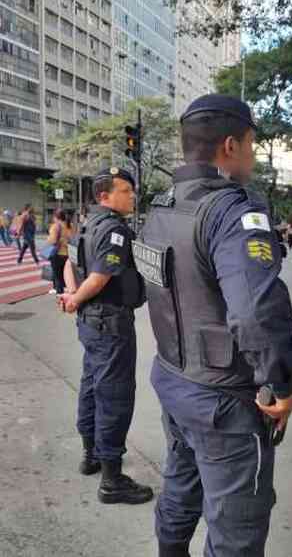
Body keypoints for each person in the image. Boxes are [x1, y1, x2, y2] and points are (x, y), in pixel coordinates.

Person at [136, 94, 292, 557]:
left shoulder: (161, 208)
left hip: (175, 380)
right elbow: (255, 312)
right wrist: (281, 382)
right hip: (224, 402)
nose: (251, 154)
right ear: (230, 145)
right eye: (251, 144)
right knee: (236, 531)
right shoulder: (232, 210)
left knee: (179, 489)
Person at [58, 166, 153, 506]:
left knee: (91, 385)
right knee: (114, 395)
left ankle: (91, 455)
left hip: (90, 321)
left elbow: (69, 263)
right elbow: (99, 276)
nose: (132, 196)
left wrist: (71, 295)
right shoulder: (114, 229)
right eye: (126, 190)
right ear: (104, 196)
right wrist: (77, 297)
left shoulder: (86, 223)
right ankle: (112, 481)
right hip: (110, 322)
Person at [47, 209, 74, 294]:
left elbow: (53, 241)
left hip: (57, 254)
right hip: (68, 254)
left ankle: (60, 294)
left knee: (57, 275)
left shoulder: (55, 226)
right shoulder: (71, 225)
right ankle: (64, 290)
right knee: (65, 274)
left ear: (56, 217)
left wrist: (48, 239)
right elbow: (73, 238)